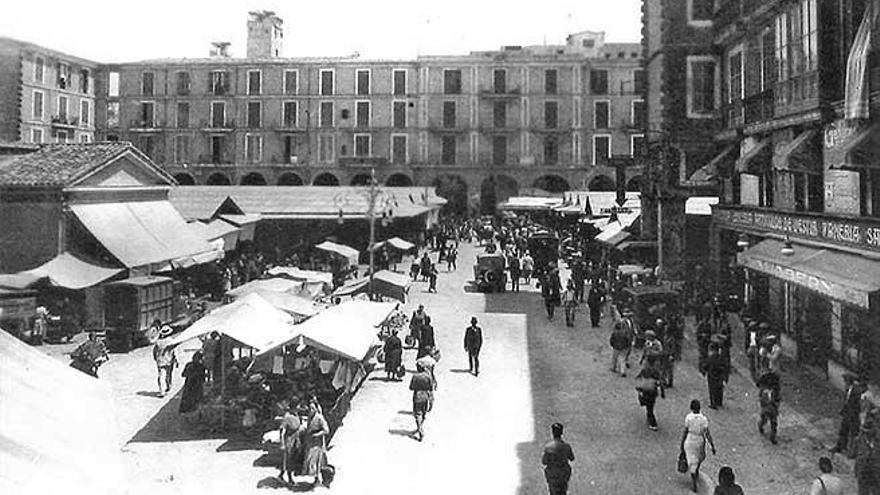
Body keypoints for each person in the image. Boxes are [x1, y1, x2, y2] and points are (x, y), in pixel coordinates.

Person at [680, 399, 716, 493]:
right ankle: (696, 470)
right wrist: (712, 445)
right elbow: (707, 433)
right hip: (700, 440)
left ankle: (694, 479)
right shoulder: (703, 419)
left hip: (690, 439)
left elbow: (685, 431)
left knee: (691, 460)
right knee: (700, 457)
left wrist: (682, 442)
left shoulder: (688, 418)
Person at [832, 374, 863, 455]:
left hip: (853, 416)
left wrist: (853, 414)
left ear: (849, 382)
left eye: (845, 381)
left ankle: (852, 452)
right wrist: (843, 410)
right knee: (843, 431)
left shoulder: (857, 391)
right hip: (847, 414)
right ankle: (840, 447)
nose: (844, 383)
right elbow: (846, 401)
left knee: (853, 433)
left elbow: (858, 405)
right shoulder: (847, 389)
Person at [301, 398, 330, 486]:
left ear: (316, 409)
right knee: (310, 460)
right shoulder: (310, 417)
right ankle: (316, 478)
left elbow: (326, 430)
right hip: (310, 442)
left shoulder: (319, 418)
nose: (311, 410)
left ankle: (319, 479)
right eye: (310, 409)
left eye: (313, 408)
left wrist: (317, 434)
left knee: (317, 461)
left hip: (317, 443)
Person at [542, 422, 575, 495]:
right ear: (561, 432)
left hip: (553, 475)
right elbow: (572, 458)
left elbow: (544, 462)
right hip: (563, 475)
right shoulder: (566, 446)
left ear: (552, 432)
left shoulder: (548, 447)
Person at [277, 402, 302, 484]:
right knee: (289, 458)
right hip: (289, 439)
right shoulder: (287, 417)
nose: (299, 407)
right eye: (298, 406)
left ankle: (281, 475)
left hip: (296, 438)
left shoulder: (297, 415)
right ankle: (290, 478)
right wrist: (282, 443)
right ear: (294, 407)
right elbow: (282, 430)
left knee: (293, 457)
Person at [635, 362, 665, 431]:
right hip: (652, 393)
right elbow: (660, 382)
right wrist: (662, 393)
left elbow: (638, 378)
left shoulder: (644, 371)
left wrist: (638, 386)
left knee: (649, 408)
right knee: (650, 406)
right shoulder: (656, 372)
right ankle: (650, 419)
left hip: (645, 392)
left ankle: (653, 423)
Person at [409, 362, 434, 441]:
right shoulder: (428, 376)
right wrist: (431, 401)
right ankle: (420, 426)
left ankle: (420, 429)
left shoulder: (415, 376)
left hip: (417, 396)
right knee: (423, 413)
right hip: (425, 396)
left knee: (417, 413)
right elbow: (431, 388)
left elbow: (411, 387)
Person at [703, 343, 730, 409]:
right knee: (720, 389)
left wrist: (704, 371)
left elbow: (706, 366)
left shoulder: (710, 358)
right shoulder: (721, 358)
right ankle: (719, 402)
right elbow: (725, 367)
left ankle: (713, 403)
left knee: (712, 390)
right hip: (720, 376)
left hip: (712, 376)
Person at [152, 326, 178, 397]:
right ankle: (168, 386)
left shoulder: (158, 342)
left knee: (161, 375)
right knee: (168, 374)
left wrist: (155, 358)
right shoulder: (171, 341)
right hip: (169, 360)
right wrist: (176, 360)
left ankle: (161, 391)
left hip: (160, 361)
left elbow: (154, 351)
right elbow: (174, 351)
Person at [757, 372, 780, 445]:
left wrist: (776, 404)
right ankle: (761, 425)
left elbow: (778, 396)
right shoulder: (764, 390)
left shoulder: (775, 389)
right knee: (764, 418)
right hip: (766, 406)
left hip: (773, 407)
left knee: (774, 422)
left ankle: (773, 436)